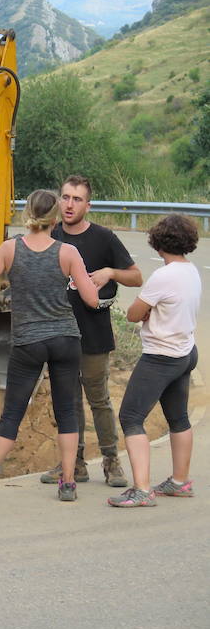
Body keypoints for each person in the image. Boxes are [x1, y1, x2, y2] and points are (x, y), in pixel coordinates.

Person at [0, 189, 98, 503]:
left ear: (27, 214)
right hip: (65, 339)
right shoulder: (68, 252)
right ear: (55, 217)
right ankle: (69, 483)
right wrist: (74, 284)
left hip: (27, 341)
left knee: (11, 416)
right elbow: (91, 299)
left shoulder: (10, 249)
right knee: (66, 412)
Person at [40, 175, 142, 488]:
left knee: (98, 400)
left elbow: (136, 277)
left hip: (94, 335)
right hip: (59, 335)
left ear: (88, 204)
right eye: (66, 197)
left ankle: (112, 462)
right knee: (67, 402)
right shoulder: (50, 234)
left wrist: (111, 272)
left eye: (77, 199)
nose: (69, 204)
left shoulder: (104, 238)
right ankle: (76, 463)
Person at [108, 215, 201, 508]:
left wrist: (146, 311)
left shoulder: (163, 276)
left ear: (158, 243)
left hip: (161, 356)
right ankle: (179, 481)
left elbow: (134, 313)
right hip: (185, 352)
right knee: (179, 418)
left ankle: (142, 489)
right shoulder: (191, 271)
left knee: (131, 417)